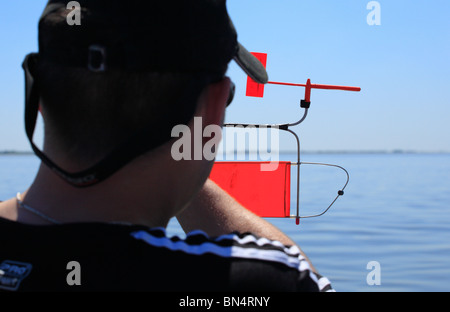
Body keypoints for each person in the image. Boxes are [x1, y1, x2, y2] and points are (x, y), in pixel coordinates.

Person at [0, 0, 333, 292]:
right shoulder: (260, 284)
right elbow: (298, 273)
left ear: (38, 95)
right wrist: (181, 155)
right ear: (215, 112)